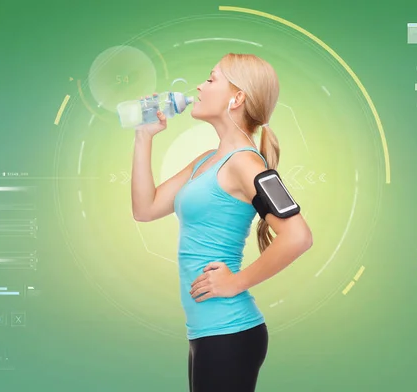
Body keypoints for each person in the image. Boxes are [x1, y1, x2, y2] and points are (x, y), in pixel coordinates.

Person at [131, 53, 313, 392]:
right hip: (206, 332)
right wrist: (144, 136)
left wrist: (237, 282)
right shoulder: (206, 161)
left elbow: (298, 236)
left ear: (237, 97)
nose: (199, 86)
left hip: (229, 331)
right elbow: (146, 208)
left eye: (211, 79)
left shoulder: (245, 164)